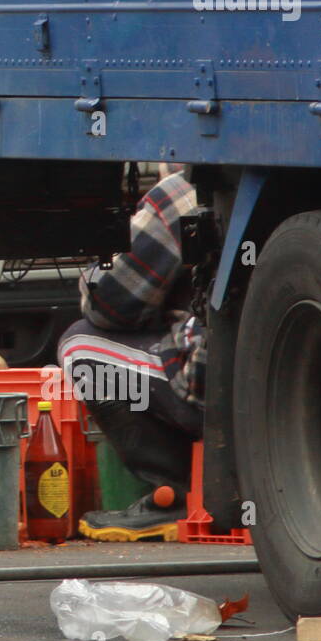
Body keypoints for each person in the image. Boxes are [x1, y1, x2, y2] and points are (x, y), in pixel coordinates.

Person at [58, 165, 206, 541]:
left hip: (214, 388)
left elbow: (109, 303)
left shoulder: (181, 191)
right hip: (271, 382)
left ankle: (177, 494)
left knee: (80, 345)